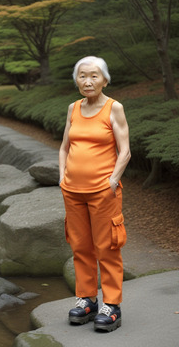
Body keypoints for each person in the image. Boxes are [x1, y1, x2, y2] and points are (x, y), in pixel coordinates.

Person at [59, 56, 131, 332]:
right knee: (80, 247)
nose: (87, 82)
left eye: (94, 76)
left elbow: (125, 151)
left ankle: (111, 305)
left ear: (104, 79)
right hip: (72, 192)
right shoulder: (73, 108)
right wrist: (62, 177)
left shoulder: (114, 108)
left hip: (103, 192)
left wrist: (113, 180)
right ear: (76, 80)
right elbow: (65, 146)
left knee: (107, 248)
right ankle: (86, 300)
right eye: (82, 76)